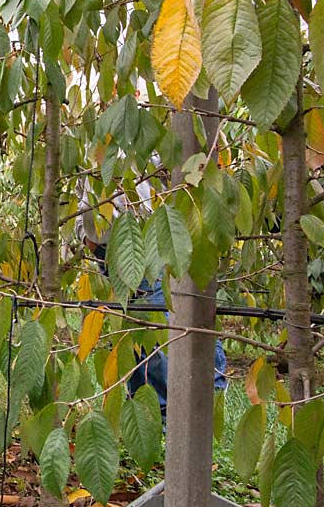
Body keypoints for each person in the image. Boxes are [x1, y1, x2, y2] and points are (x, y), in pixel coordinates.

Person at [75, 174, 227, 420]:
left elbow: (184, 172)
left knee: (161, 321)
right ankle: (149, 409)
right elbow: (82, 187)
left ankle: (195, 400)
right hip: (107, 247)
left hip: (150, 240)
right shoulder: (90, 139)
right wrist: (86, 236)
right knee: (134, 329)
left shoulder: (150, 138)